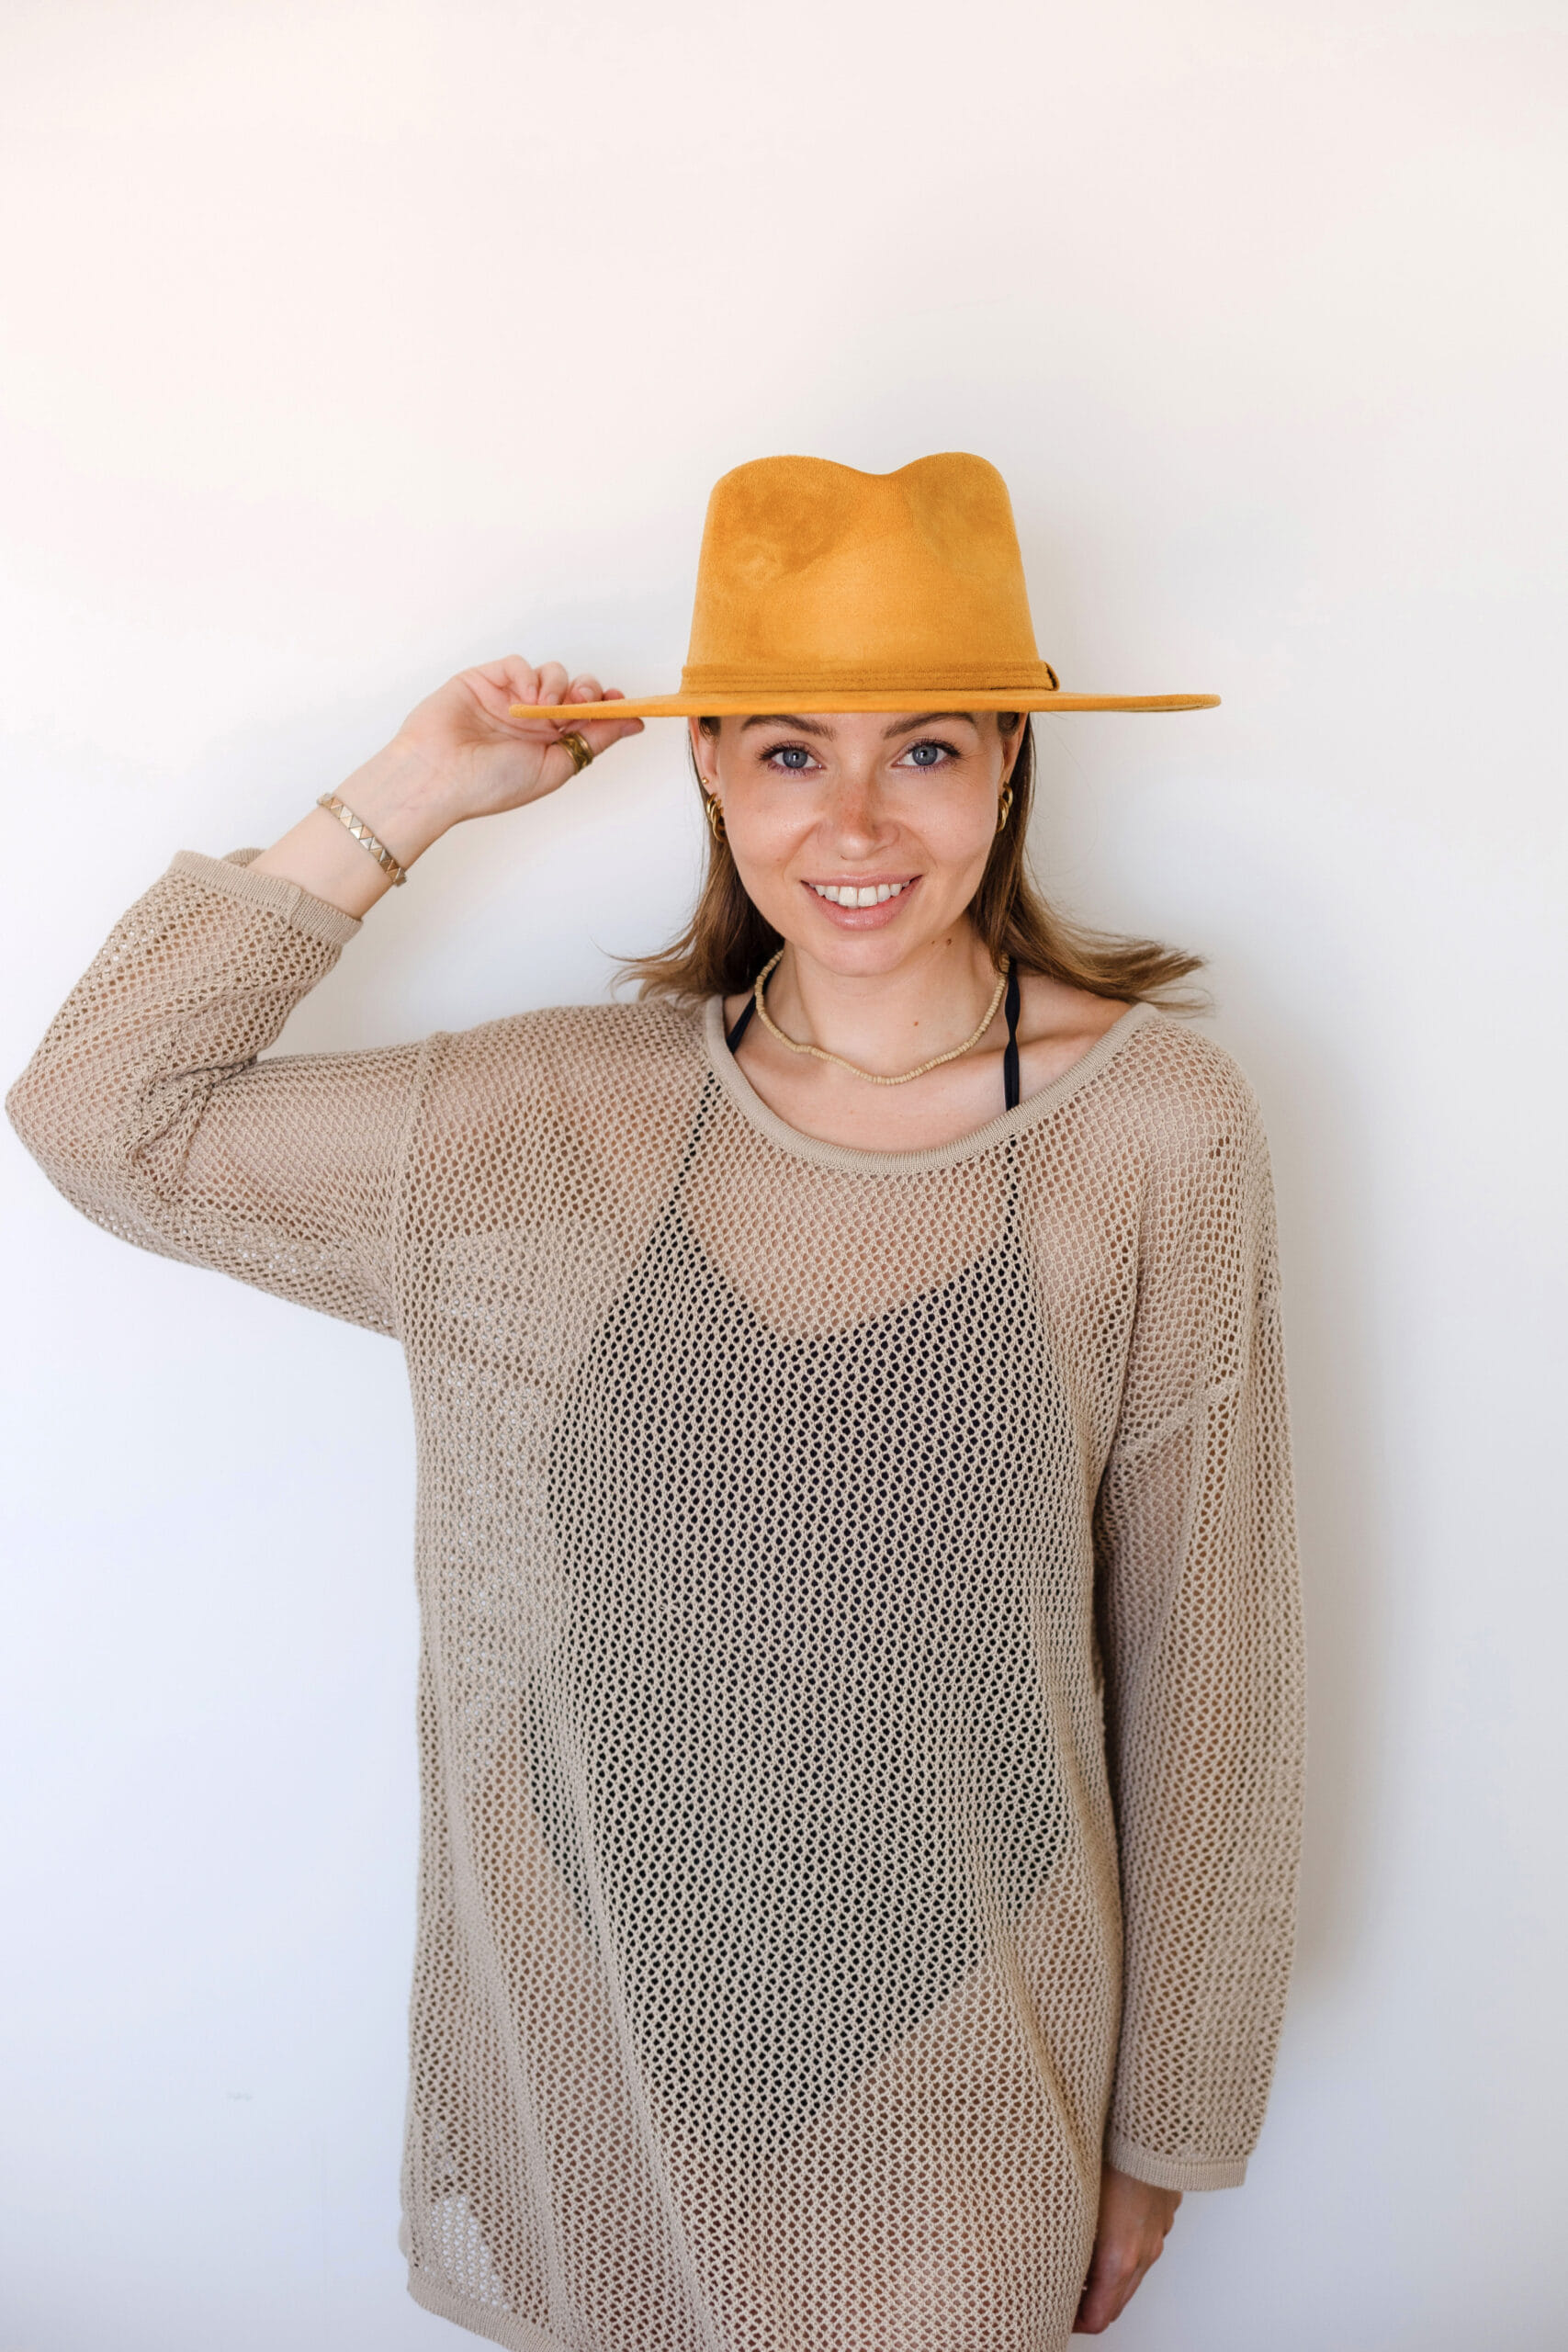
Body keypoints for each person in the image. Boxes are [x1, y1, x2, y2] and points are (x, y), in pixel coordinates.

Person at [7, 453, 1304, 2352]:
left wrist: (1163, 2132)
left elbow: (1210, 1652)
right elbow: (99, 1115)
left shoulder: (1154, 1132)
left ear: (1010, 763)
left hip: (963, 2039)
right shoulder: (554, 1119)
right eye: (787, 751)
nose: (854, 819)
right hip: (590, 2015)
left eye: (923, 748)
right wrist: (410, 794)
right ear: (700, 762)